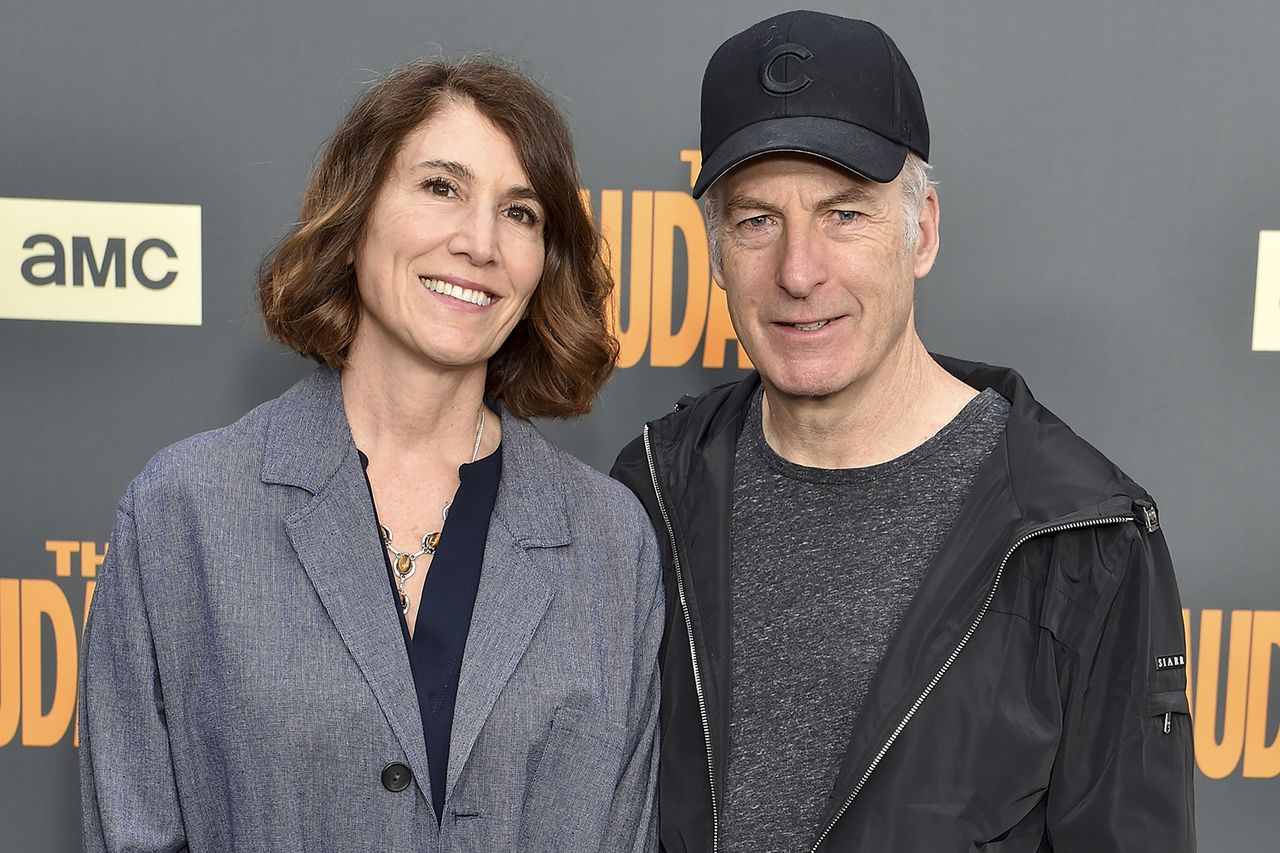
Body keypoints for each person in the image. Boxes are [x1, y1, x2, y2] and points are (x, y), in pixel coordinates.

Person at [612, 11, 1195, 852]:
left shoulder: (1082, 538)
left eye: (845, 214)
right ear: (714, 253)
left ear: (921, 232)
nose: (799, 271)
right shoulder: (652, 494)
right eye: (756, 221)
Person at [80, 57, 661, 853]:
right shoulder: (185, 511)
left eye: (521, 212)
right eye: (440, 187)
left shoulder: (608, 540)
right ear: (355, 220)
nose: (480, 242)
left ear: (542, 265)